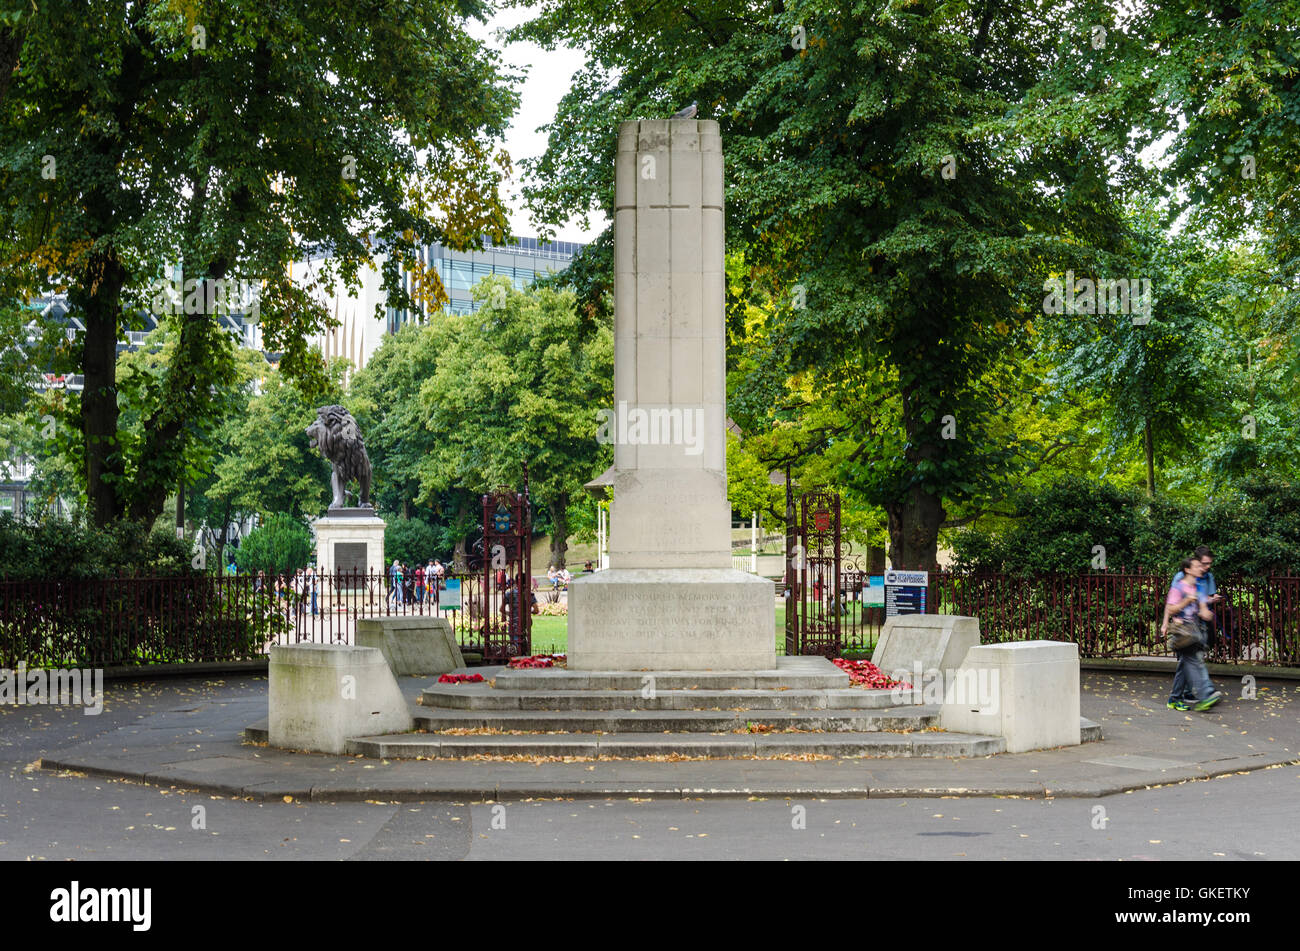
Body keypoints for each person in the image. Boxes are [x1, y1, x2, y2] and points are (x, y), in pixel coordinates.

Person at [1162, 555, 1222, 711]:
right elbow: (1171, 608)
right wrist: (1186, 601)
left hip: (1194, 632)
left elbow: (1202, 606)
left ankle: (1174, 699)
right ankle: (1205, 695)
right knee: (1195, 662)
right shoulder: (1179, 587)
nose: (1200, 568)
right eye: (1196, 566)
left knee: (1185, 665)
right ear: (1187, 570)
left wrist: (1205, 612)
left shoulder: (1198, 587)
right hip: (1183, 633)